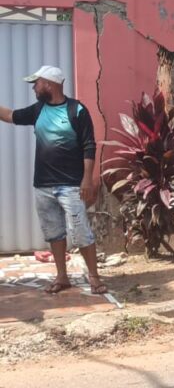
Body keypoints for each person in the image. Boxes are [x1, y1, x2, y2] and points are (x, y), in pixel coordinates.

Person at [0, 65, 107, 294]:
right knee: (53, 233)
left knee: (81, 232)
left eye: (36, 83)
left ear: (49, 84)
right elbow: (10, 116)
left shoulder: (76, 110)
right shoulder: (38, 110)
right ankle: (62, 277)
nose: (33, 88)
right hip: (43, 186)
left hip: (71, 185)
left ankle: (94, 277)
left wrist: (87, 179)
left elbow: (89, 145)